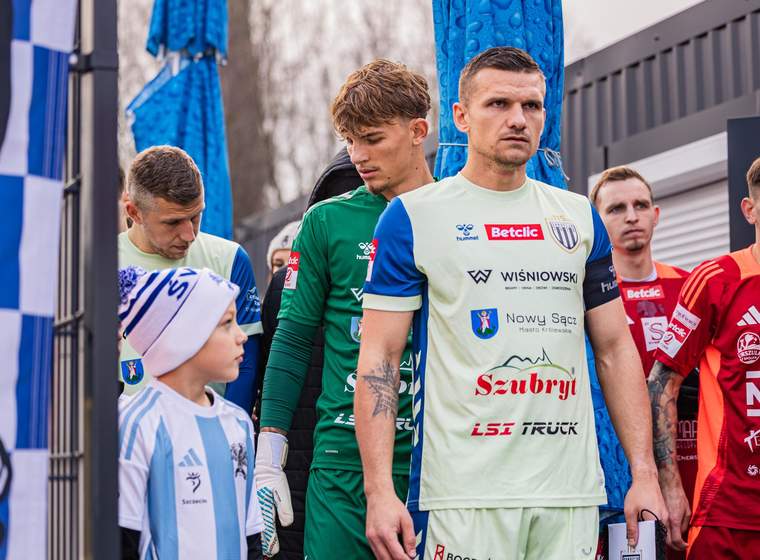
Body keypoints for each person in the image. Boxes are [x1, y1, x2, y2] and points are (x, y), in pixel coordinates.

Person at [355, 46, 667, 560]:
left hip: (568, 494)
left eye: (532, 106)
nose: (519, 119)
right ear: (461, 116)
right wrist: (379, 491)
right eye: (498, 104)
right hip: (460, 496)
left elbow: (615, 349)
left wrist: (644, 473)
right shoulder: (412, 217)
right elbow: (379, 360)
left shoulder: (578, 217)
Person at [254, 59, 434, 559]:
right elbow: (292, 339)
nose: (358, 155)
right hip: (343, 461)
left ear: (418, 131)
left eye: (372, 139)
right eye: (350, 140)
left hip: (438, 459)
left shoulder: (458, 213)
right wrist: (269, 451)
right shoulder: (326, 221)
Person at [649, 156, 760, 557]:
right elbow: (662, 382)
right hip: (728, 515)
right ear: (749, 210)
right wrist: (671, 486)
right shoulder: (716, 279)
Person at [254, 149, 361, 560]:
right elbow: (273, 368)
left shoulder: (403, 274)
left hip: (323, 468)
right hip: (307, 470)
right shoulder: (287, 286)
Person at [117, 265, 263, 560]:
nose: (242, 336)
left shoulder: (239, 423)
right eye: (227, 323)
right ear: (184, 337)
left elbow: (251, 535)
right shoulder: (137, 423)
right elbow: (123, 540)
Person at [592, 166, 697, 559]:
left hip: (690, 463)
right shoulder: (593, 298)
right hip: (621, 473)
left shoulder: (690, 286)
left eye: (640, 205)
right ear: (597, 223)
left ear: (656, 214)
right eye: (616, 209)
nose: (631, 216)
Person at [119, 146, 262, 414]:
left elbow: (246, 364)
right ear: (134, 212)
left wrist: (225, 427)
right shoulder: (101, 265)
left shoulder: (230, 259)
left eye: (196, 217)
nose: (189, 234)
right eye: (173, 222)